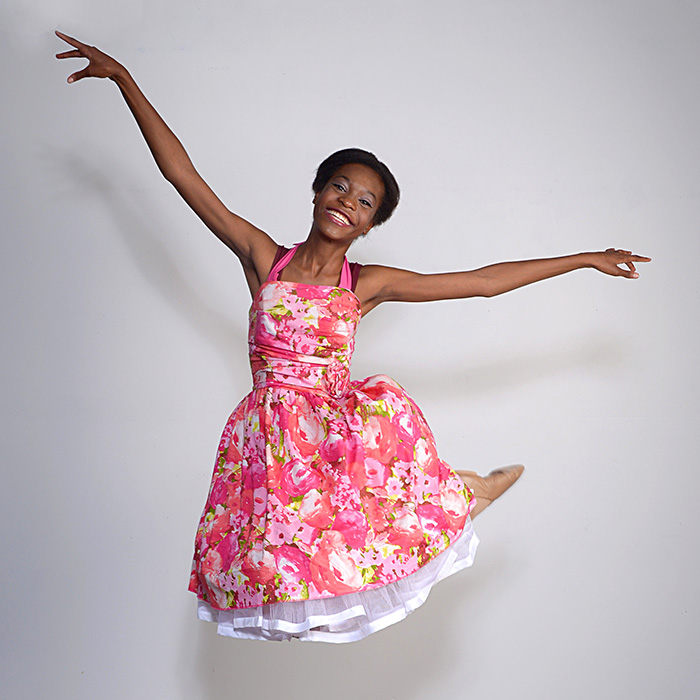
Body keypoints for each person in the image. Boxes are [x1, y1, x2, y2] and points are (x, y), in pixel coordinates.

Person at [55, 31, 650, 643]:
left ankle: (463, 492)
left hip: (337, 429)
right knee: (270, 560)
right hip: (271, 432)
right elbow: (184, 178)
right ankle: (463, 491)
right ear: (317, 191)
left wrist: (581, 258)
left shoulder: (365, 282)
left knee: (360, 527)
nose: (348, 202)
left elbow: (480, 283)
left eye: (365, 202)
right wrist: (125, 79)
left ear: (370, 224)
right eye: (340, 186)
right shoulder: (266, 259)